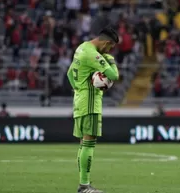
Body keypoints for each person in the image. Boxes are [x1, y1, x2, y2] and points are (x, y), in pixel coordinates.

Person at [67, 26, 119, 193]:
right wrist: (110, 60)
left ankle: (84, 184)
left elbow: (69, 73)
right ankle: (84, 186)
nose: (109, 50)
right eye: (110, 47)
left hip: (80, 101)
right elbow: (114, 75)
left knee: (83, 144)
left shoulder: (81, 47)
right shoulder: (93, 54)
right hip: (90, 103)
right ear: (106, 42)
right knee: (89, 144)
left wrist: (78, 89)